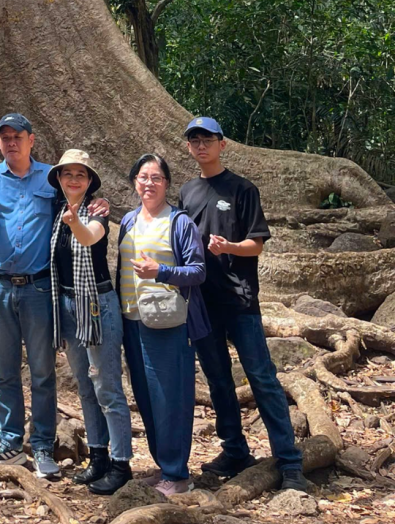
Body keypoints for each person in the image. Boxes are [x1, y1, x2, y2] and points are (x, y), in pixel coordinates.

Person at [0, 113, 108, 479]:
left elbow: (78, 196)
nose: (11, 142)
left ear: (31, 140)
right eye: (5, 137)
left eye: (18, 136)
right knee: (5, 369)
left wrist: (98, 206)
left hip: (39, 286)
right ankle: (11, 441)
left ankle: (43, 444)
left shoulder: (51, 177)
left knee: (43, 370)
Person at [179, 117, 309, 491]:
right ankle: (235, 449)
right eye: (194, 140)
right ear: (189, 147)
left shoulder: (242, 189)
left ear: (223, 144)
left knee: (262, 378)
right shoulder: (187, 192)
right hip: (201, 302)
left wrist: (229, 247)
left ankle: (289, 462)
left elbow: (257, 243)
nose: (200, 145)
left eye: (207, 139)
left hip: (239, 299)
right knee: (219, 380)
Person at [118, 153, 210, 495]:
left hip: (169, 322)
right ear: (134, 182)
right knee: (145, 396)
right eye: (143, 177)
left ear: (167, 184)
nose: (149, 184)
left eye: (156, 178)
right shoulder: (127, 222)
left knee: (170, 396)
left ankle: (177, 473)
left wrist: (161, 272)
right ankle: (163, 467)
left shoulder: (179, 223)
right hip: (132, 319)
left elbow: (198, 271)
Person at [47, 149, 130, 494]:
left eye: (81, 174)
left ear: (90, 181)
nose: (74, 180)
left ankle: (121, 462)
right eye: (68, 174)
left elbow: (89, 237)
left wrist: (75, 221)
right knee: (84, 385)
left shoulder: (97, 213)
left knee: (107, 385)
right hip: (66, 305)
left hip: (97, 304)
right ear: (60, 179)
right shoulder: (55, 212)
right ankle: (98, 455)